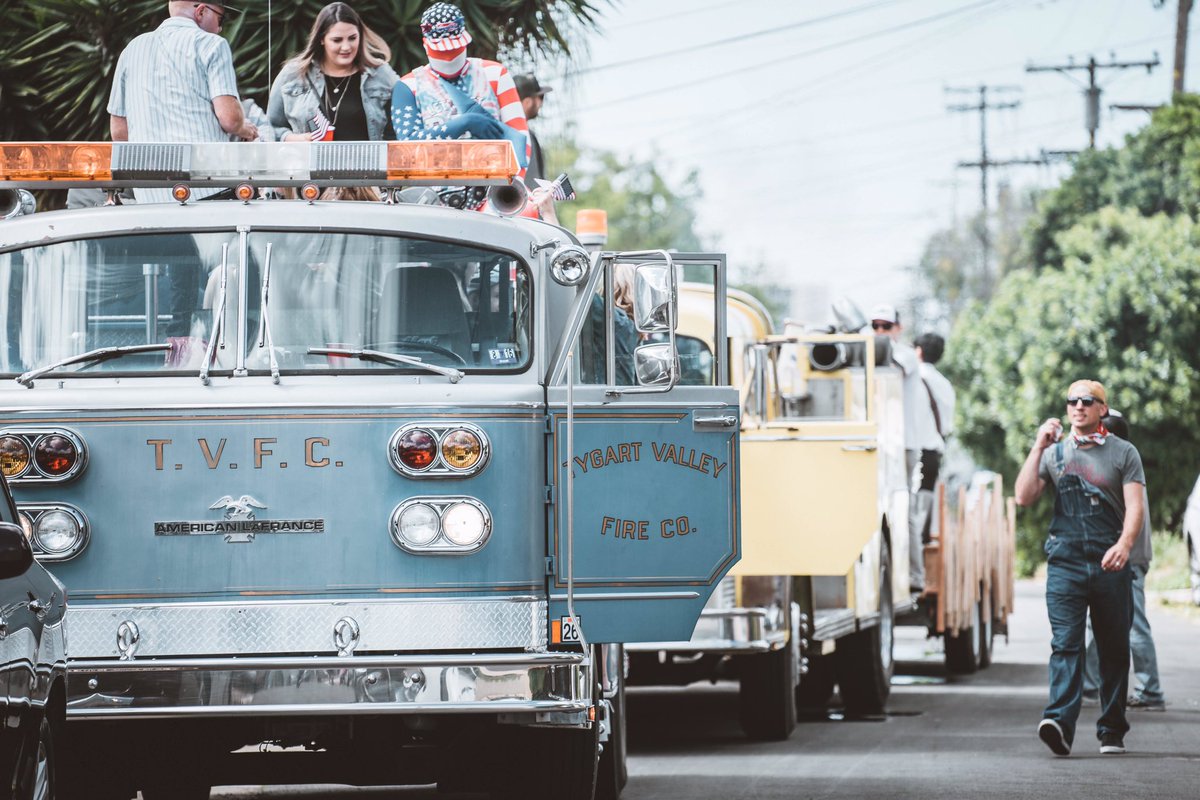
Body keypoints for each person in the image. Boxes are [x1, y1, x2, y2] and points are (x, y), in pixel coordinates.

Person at [1014, 380, 1145, 757]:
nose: (1078, 406)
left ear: (1103, 409)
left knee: (1114, 648)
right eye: (1072, 400)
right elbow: (1023, 496)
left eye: (1087, 401)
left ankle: (1112, 730)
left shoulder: (1124, 453)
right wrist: (1039, 444)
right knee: (1065, 645)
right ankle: (1059, 722)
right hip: (1065, 561)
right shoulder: (1055, 453)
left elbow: (1135, 506)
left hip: (1110, 562)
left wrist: (1124, 545)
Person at [108, 1, 257, 204]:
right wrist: (245, 129)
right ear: (201, 11)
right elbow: (230, 120)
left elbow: (119, 133)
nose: (220, 28)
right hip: (207, 189)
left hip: (149, 196)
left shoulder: (131, 49)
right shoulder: (212, 44)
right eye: (220, 19)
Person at [390, 1, 531, 206]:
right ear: (425, 43)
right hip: (432, 200)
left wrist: (514, 185)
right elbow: (408, 148)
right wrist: (464, 123)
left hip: (492, 195)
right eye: (441, 51)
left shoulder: (494, 73)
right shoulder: (408, 86)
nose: (449, 57)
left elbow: (520, 135)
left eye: (455, 49)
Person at [1081, 410, 1165, 711]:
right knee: (1095, 625)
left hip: (1129, 560)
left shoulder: (1123, 467)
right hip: (1117, 560)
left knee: (1134, 625)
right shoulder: (1121, 466)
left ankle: (1150, 689)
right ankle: (1088, 686)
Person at [869, 305, 939, 594]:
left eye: (886, 326)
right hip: (879, 445)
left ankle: (915, 576)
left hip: (905, 446)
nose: (881, 332)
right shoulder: (872, 350)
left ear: (898, 328)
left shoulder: (906, 355)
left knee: (904, 509)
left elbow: (889, 371)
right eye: (876, 326)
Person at [266, 3, 398, 142]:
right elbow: (270, 128)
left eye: (352, 38)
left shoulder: (381, 73)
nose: (346, 47)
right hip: (309, 163)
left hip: (369, 162)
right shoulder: (294, 73)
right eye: (337, 40)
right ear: (321, 39)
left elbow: (398, 128)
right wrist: (293, 139)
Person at [914, 332, 956, 541]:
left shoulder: (912, 379)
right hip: (934, 451)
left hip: (914, 450)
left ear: (918, 351)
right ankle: (922, 542)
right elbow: (947, 426)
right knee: (925, 504)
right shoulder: (945, 384)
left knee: (910, 510)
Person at [514, 74, 550, 187]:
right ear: (528, 102)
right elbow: (533, 183)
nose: (540, 104)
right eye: (540, 97)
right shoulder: (523, 135)